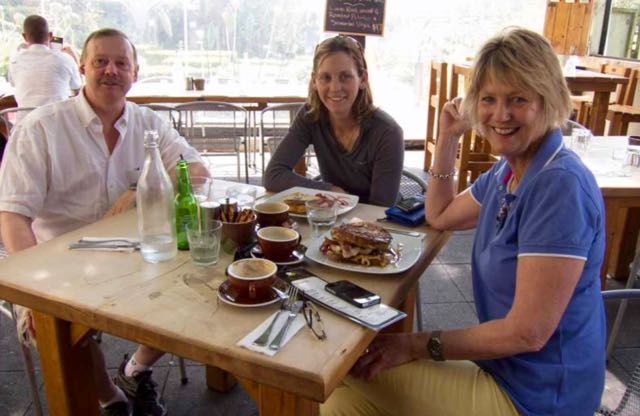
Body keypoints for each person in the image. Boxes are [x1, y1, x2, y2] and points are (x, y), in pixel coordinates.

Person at [321, 28, 606, 416]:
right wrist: (448, 137)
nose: (500, 115)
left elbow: (528, 331)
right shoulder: (509, 171)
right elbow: (439, 214)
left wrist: (413, 344)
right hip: (507, 371)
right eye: (488, 99)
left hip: (540, 397)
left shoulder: (559, 186)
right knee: (345, 395)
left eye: (518, 99)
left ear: (548, 99)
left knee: (345, 372)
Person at [0, 28, 209, 416]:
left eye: (121, 63)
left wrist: (142, 189)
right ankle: (111, 398)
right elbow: (12, 217)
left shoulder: (148, 124)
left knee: (204, 279)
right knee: (57, 328)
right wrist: (34, 287)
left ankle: (137, 367)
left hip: (137, 257)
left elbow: (197, 171)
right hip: (60, 265)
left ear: (135, 73)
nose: (110, 71)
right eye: (100, 61)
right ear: (81, 68)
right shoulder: (41, 128)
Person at [264, 35, 404, 207]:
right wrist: (329, 189)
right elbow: (273, 175)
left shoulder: (387, 132)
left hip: (383, 225)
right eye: (325, 77)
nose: (335, 88)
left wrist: (333, 196)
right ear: (314, 81)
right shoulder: (310, 115)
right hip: (332, 216)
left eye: (345, 76)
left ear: (362, 80)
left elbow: (380, 209)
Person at [8, 15, 82, 108]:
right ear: (50, 35)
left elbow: (13, 83)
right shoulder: (65, 58)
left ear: (24, 36)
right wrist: (73, 56)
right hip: (56, 120)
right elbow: (77, 88)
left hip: (25, 121)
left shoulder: (15, 59)